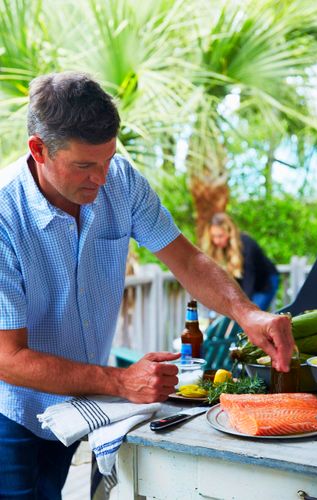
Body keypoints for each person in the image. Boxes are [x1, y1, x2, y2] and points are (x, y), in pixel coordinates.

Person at [0, 71, 293, 497]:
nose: (101, 180)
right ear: (38, 150)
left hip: (74, 406)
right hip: (12, 412)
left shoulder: (120, 179)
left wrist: (247, 312)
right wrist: (121, 382)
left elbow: (187, 258)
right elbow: (7, 358)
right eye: (84, 165)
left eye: (107, 160)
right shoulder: (5, 216)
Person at [204, 212, 279, 311]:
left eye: (220, 236)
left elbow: (249, 278)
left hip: (265, 281)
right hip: (247, 282)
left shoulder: (246, 244)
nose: (216, 241)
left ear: (229, 232)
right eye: (213, 236)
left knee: (253, 315)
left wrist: (245, 307)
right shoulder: (222, 248)